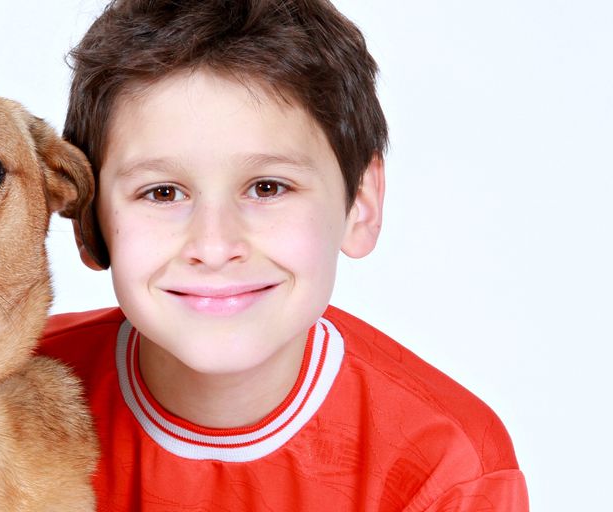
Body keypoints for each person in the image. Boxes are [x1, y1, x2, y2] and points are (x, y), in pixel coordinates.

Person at [37, 0, 529, 510]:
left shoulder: (447, 467)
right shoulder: (2, 395)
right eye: (163, 192)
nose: (214, 246)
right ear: (87, 220)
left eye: (268, 187)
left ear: (360, 203)